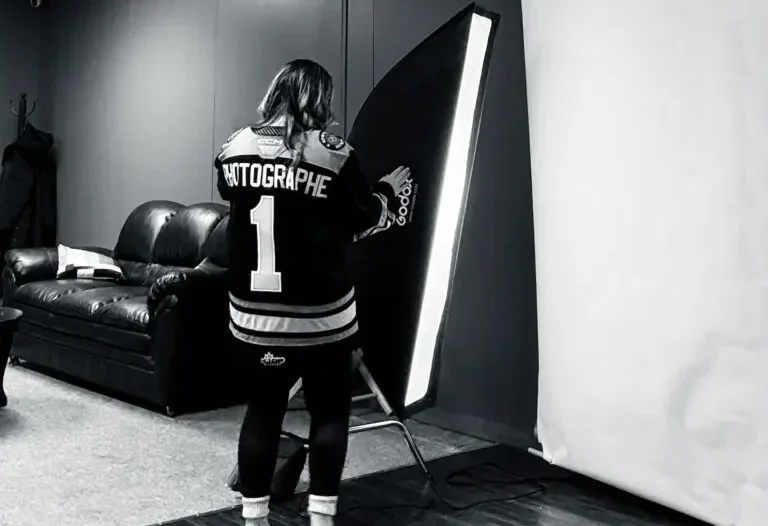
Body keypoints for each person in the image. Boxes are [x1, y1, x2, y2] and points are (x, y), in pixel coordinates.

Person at [214, 59, 411, 526]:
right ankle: (321, 518)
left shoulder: (235, 145)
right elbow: (364, 217)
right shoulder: (334, 151)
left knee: (261, 413)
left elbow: (233, 193)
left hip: (255, 316)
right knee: (329, 414)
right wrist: (387, 193)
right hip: (322, 316)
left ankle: (254, 517)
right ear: (320, 98)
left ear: (276, 91)